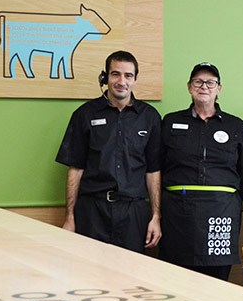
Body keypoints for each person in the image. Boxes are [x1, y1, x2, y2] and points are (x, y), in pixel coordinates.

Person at [55, 50, 162, 252]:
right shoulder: (84, 114)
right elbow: (75, 169)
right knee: (88, 272)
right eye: (116, 74)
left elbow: (153, 171)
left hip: (133, 212)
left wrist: (156, 217)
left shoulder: (150, 117)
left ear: (135, 79)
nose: (122, 81)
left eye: (128, 75)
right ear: (105, 77)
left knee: (131, 274)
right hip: (92, 210)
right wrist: (69, 217)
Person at [159, 63, 243, 280]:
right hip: (178, 214)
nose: (204, 86)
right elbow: (158, 166)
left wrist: (233, 203)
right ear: (189, 87)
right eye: (198, 82)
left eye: (210, 82)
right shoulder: (171, 122)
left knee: (217, 280)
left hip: (222, 213)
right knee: (175, 278)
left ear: (219, 88)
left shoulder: (236, 126)